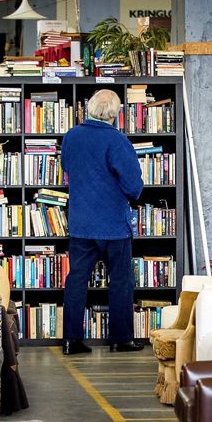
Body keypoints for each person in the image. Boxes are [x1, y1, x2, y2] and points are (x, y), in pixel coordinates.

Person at [60, 89, 144, 354]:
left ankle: (71, 340)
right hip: (113, 226)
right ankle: (121, 339)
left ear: (90, 108)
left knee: (76, 280)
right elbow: (133, 188)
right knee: (120, 281)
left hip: (81, 223)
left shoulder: (71, 136)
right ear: (115, 113)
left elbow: (66, 167)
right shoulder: (118, 141)